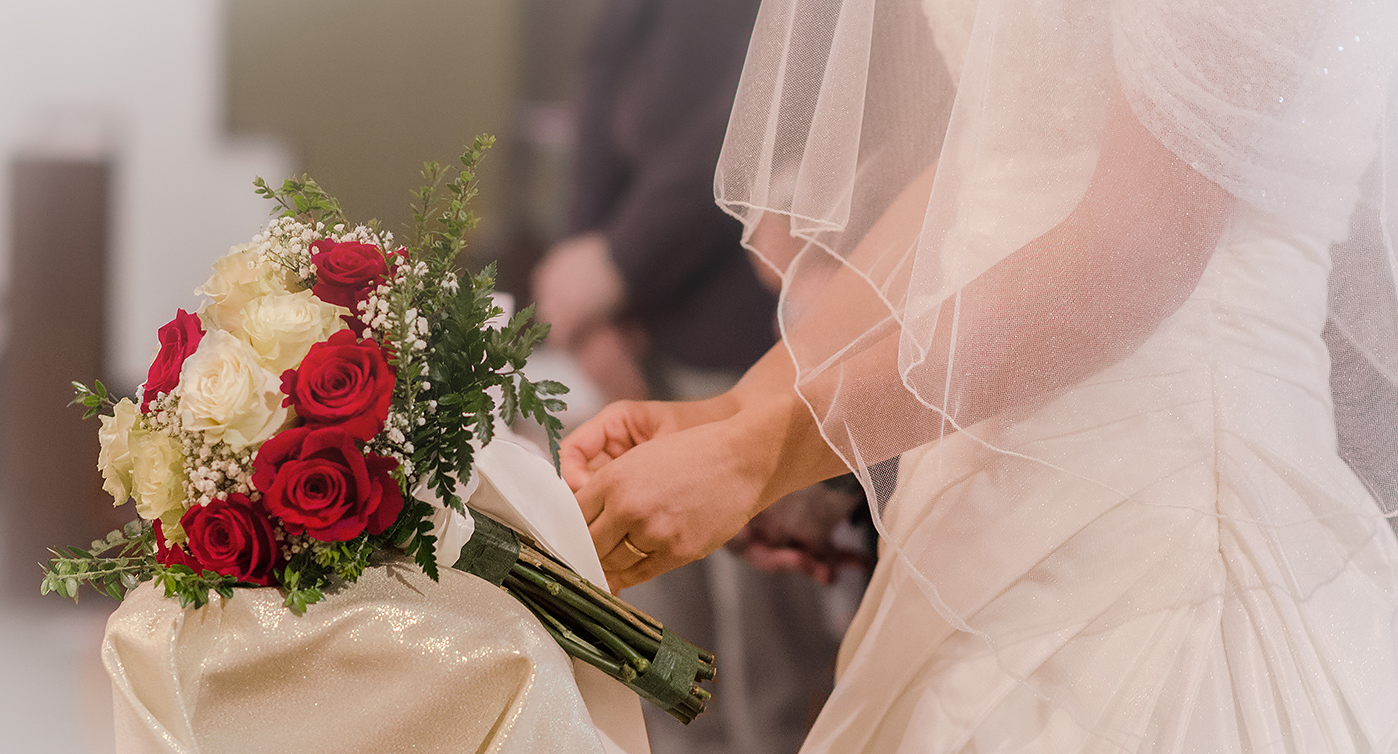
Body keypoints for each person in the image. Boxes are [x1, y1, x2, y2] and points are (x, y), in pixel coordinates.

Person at [561, 0, 1398, 750]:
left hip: (1168, 495)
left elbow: (1135, 254)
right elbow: (984, 168)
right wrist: (744, 410)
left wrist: (768, 452)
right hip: (972, 483)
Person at [531, 1, 870, 752]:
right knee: (660, 660)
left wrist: (617, 264)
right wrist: (589, 308)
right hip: (641, 342)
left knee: (766, 668)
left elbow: (734, 136)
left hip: (752, 337)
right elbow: (596, 120)